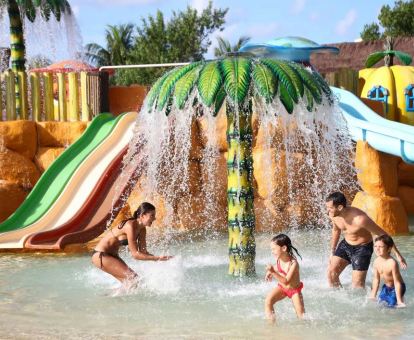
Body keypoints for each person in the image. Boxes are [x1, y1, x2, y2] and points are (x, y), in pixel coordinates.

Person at [325, 192, 407, 289]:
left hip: (362, 248)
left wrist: (398, 254)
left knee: (357, 286)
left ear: (340, 208)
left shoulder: (360, 219)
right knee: (331, 274)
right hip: (346, 244)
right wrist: (332, 251)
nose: (327, 210)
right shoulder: (333, 215)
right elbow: (336, 230)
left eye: (330, 208)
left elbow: (383, 234)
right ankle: (337, 298)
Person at [92, 202, 173, 284]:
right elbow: (135, 255)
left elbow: (143, 252)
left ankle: (108, 297)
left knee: (129, 284)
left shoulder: (142, 229)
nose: (154, 218)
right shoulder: (130, 226)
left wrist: (161, 259)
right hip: (101, 255)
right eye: (152, 215)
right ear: (142, 216)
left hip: (113, 256)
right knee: (134, 279)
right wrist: (157, 258)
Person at [264, 234, 305, 323]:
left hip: (294, 291)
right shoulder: (279, 259)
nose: (272, 251)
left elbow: (286, 281)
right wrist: (270, 271)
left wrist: (273, 272)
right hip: (282, 288)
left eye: (274, 249)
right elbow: (277, 267)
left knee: (301, 317)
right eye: (271, 249)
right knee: (268, 301)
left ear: (283, 248)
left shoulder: (293, 264)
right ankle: (271, 325)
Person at [370, 235, 406, 308]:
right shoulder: (376, 261)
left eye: (381, 247)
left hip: (398, 286)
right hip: (386, 287)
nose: (377, 249)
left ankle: (399, 299)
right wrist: (373, 295)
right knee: (380, 304)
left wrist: (399, 301)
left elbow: (397, 282)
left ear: (389, 249)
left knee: (391, 306)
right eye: (375, 246)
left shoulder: (392, 263)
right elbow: (376, 279)